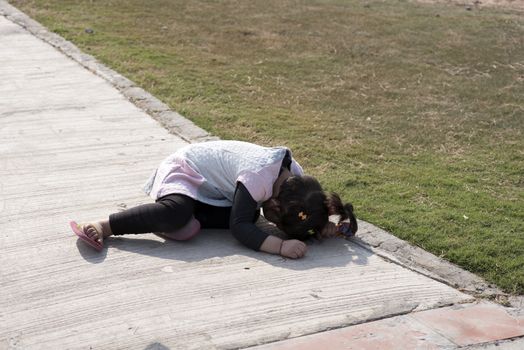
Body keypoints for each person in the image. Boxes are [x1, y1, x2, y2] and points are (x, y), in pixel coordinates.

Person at [70, 140, 357, 259]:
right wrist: (280, 245)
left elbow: (308, 205)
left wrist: (320, 226)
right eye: (278, 222)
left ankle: (182, 220)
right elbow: (240, 229)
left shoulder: (296, 179)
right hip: (187, 172)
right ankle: (105, 225)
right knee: (178, 213)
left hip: (215, 194)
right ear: (275, 205)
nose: (275, 225)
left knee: (245, 217)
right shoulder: (259, 176)